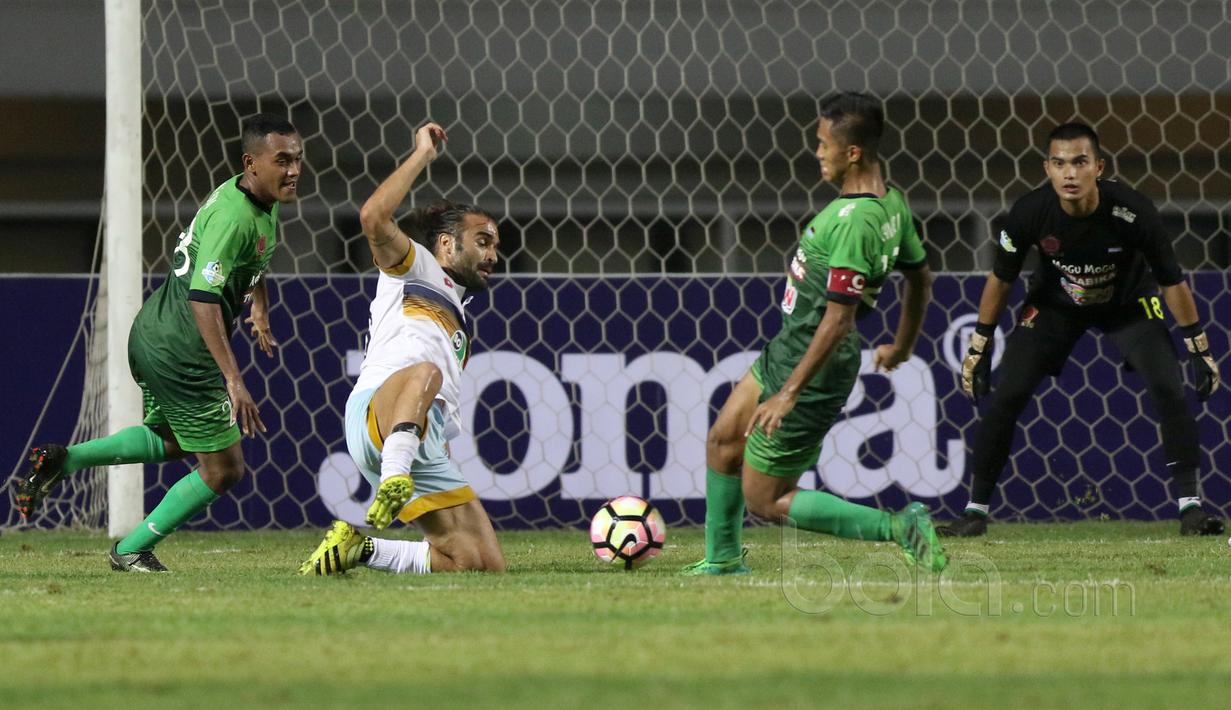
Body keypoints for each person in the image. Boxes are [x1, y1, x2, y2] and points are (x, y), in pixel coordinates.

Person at [16, 114, 302, 571]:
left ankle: (65, 460)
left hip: (153, 332)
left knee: (171, 440)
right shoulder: (235, 217)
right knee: (224, 469)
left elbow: (252, 256)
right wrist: (233, 379)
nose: (293, 170)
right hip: (183, 349)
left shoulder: (252, 195)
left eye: (297, 159)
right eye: (282, 160)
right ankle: (130, 550)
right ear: (251, 162)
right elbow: (204, 298)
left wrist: (258, 304)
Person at [682, 92, 947, 576]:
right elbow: (921, 277)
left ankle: (899, 527)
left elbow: (839, 318)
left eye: (823, 144)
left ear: (852, 153)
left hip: (814, 366)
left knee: (768, 498)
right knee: (723, 442)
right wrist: (903, 346)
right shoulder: (891, 203)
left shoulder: (855, 221)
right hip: (789, 347)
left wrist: (788, 393)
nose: (817, 153)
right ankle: (721, 560)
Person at [941, 121, 1224, 538]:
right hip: (1055, 308)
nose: (1069, 174)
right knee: (1008, 395)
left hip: (1127, 304)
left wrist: (1199, 350)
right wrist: (979, 347)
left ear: (1099, 167)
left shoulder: (1132, 211)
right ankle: (975, 512)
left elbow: (1171, 281)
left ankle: (1191, 510)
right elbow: (1000, 280)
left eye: (1079, 162)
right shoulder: (1029, 214)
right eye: (1059, 163)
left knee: (1168, 384)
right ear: (1047, 169)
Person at [299, 122, 505, 576]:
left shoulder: (457, 317)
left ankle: (362, 550)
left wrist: (438, 453)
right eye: (484, 242)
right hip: (381, 414)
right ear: (447, 244)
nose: (493, 256)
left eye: (496, 246)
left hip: (420, 436)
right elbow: (373, 217)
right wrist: (421, 156)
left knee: (480, 564)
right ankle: (394, 475)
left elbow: (440, 400)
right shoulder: (416, 267)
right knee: (426, 368)